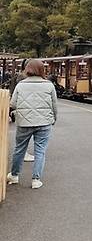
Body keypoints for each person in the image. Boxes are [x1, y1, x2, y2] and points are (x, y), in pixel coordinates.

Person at [6, 59, 57, 189]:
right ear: (42, 70)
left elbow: (12, 104)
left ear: (27, 69)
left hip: (24, 123)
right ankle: (36, 179)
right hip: (44, 122)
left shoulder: (21, 85)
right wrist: (53, 119)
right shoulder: (49, 85)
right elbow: (54, 105)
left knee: (19, 149)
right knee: (40, 151)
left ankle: (15, 175)